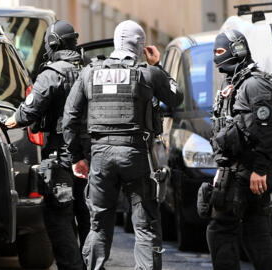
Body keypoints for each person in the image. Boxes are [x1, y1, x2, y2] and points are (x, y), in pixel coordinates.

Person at [62, 20, 183, 270]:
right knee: (145, 225)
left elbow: (70, 117)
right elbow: (175, 96)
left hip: (100, 156)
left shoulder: (90, 72)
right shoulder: (148, 73)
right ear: (139, 45)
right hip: (136, 155)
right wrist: (157, 65)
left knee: (98, 225)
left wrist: (77, 157)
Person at [5, 20, 88, 270]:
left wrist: (3, 123)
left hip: (62, 156)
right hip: (92, 155)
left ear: (52, 44)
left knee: (60, 217)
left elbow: (27, 113)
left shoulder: (52, 73)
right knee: (89, 216)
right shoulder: (92, 70)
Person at [207, 29, 272, 270]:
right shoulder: (233, 83)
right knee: (255, 233)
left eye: (220, 51)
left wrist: (259, 169)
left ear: (237, 49)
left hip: (248, 172)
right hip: (235, 169)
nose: (216, 57)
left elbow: (269, 130)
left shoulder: (255, 85)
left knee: (222, 231)